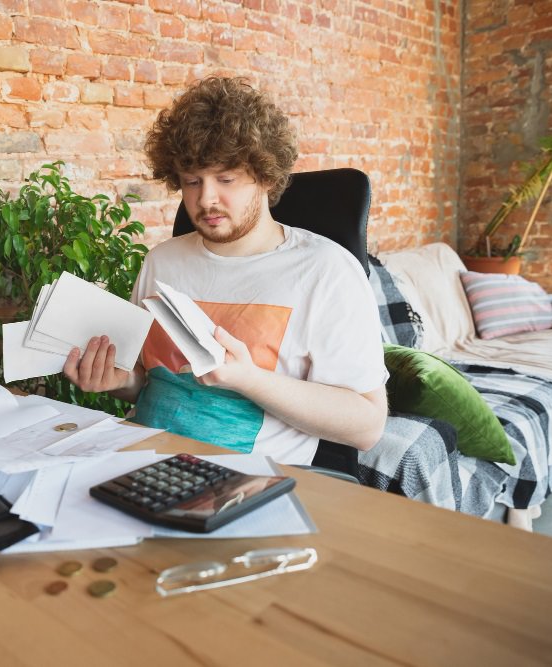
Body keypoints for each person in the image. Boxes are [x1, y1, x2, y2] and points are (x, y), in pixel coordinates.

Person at [63, 77, 388, 464]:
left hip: (245, 479)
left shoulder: (326, 271)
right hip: (138, 459)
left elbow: (367, 426)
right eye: (192, 182)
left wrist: (248, 379)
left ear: (266, 177)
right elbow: (155, 385)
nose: (206, 199)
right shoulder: (162, 261)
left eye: (226, 179)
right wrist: (120, 382)